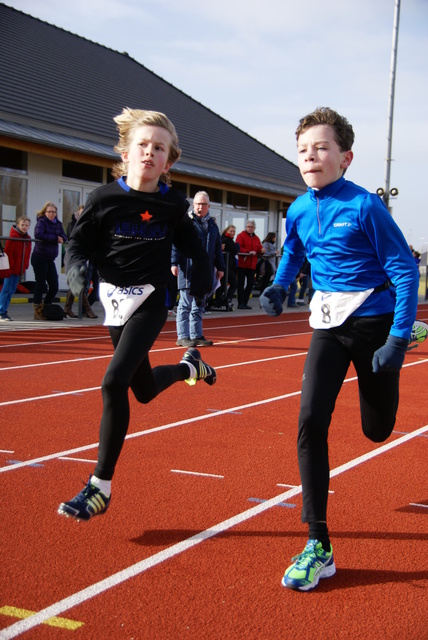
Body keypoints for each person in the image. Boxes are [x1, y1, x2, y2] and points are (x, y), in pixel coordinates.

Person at [260, 107, 423, 591]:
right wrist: (277, 286)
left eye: (322, 147)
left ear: (345, 157)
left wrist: (395, 339)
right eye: (303, 150)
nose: (311, 156)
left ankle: (409, 335)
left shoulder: (366, 207)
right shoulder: (297, 208)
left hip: (374, 323)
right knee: (310, 419)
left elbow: (405, 270)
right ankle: (318, 544)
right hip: (327, 325)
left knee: (377, 430)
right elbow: (293, 253)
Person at [58, 108, 215, 521]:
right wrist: (76, 271)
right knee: (142, 390)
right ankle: (189, 368)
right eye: (142, 145)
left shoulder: (173, 205)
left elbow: (194, 247)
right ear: (125, 153)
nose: (149, 152)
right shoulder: (103, 199)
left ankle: (99, 487)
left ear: (169, 161)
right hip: (114, 302)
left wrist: (203, 280)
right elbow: (78, 244)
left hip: (150, 300)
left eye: (158, 148)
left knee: (114, 382)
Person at [172, 191, 225, 347]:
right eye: (197, 204)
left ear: (208, 206)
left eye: (203, 204)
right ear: (193, 205)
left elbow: (217, 249)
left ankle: (196, 335)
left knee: (199, 306)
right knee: (185, 304)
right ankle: (182, 335)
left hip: (205, 271)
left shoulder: (213, 226)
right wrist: (173, 263)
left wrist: (220, 267)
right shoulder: (185, 223)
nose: (200, 207)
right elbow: (176, 244)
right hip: (188, 270)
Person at [31, 202, 67, 320]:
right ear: (45, 212)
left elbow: (64, 236)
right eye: (49, 212)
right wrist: (55, 238)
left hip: (50, 258)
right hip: (39, 256)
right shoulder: (41, 222)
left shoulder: (58, 224)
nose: (51, 214)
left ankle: (45, 306)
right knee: (40, 284)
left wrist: (62, 238)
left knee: (54, 286)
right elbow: (39, 235)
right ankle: (37, 309)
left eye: (53, 212)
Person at [63, 205, 98, 319]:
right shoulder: (73, 225)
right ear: (77, 215)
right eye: (81, 214)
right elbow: (72, 240)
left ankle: (72, 308)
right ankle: (85, 309)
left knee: (95, 288)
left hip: (91, 259)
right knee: (81, 284)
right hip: (78, 259)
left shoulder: (93, 225)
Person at [0, 216, 31, 321]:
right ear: (18, 225)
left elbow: (27, 254)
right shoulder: (13, 237)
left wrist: (25, 266)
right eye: (22, 224)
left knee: (12, 290)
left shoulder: (28, 239)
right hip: (11, 269)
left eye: (26, 225)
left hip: (18, 269)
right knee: (6, 289)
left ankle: (4, 310)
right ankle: (1, 311)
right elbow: (8, 253)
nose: (24, 227)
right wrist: (9, 268)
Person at [236, 219, 264, 309]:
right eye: (248, 227)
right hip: (242, 264)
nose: (250, 228)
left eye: (251, 227)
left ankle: (245, 302)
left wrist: (262, 250)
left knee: (251, 283)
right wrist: (248, 251)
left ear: (254, 228)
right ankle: (240, 303)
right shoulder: (241, 236)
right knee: (240, 284)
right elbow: (238, 247)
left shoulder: (256, 238)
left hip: (252, 265)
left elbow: (259, 248)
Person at [221, 224, 240, 307]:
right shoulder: (225, 240)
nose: (233, 233)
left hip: (229, 265)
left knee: (224, 284)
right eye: (231, 231)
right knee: (232, 283)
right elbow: (234, 249)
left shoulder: (230, 240)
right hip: (225, 265)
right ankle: (226, 300)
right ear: (227, 231)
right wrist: (237, 246)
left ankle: (224, 300)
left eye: (234, 231)